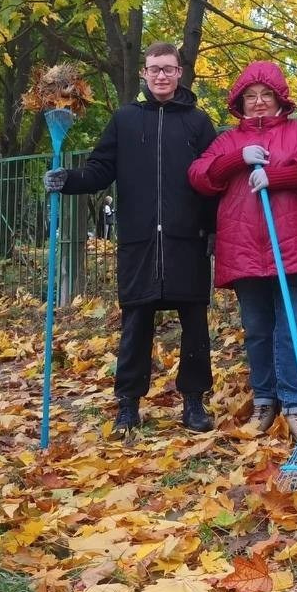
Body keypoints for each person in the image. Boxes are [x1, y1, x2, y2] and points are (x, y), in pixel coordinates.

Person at [43, 43, 218, 435]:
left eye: (168, 69)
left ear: (179, 73)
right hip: (139, 242)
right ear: (144, 73)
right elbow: (100, 170)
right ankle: (128, 404)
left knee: (194, 324)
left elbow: (212, 182)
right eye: (154, 69)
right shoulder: (125, 119)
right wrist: (67, 179)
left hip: (186, 241)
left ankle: (193, 402)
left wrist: (213, 230)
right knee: (136, 323)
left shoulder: (198, 123)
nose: (161, 76)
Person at [188, 61, 297, 439]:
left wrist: (277, 175)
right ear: (239, 102)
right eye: (249, 97)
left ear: (279, 99)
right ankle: (266, 400)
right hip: (244, 249)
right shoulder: (227, 141)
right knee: (256, 329)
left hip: (294, 248)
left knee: (293, 327)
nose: (257, 103)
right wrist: (239, 159)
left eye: (265, 95)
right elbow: (200, 176)